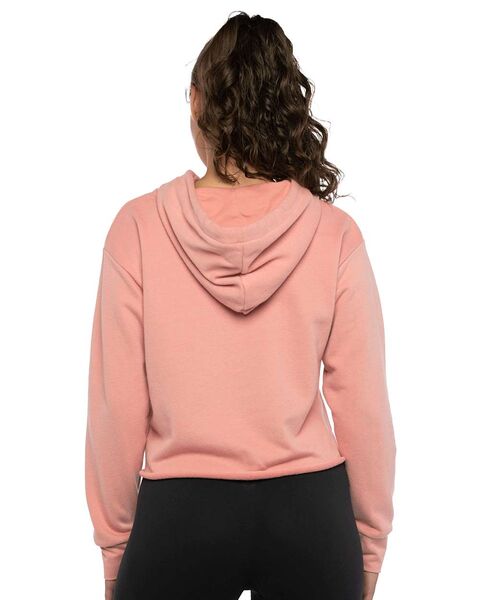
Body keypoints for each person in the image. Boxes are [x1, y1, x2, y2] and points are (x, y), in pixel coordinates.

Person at [84, 10, 396, 600]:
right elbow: (364, 406)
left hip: (180, 514)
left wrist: (116, 548)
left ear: (196, 100)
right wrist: (369, 544)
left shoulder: (139, 229)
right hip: (310, 513)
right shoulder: (333, 234)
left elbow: (115, 406)